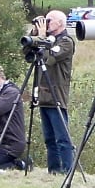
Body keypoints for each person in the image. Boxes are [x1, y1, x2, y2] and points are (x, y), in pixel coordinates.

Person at [33, 9, 77, 174]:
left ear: (60, 23)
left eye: (49, 20)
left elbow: (47, 58)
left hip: (56, 94)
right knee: (49, 138)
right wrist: (36, 36)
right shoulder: (49, 39)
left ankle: (66, 170)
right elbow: (29, 53)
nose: (46, 23)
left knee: (62, 138)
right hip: (43, 94)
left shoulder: (66, 42)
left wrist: (42, 38)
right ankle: (53, 170)